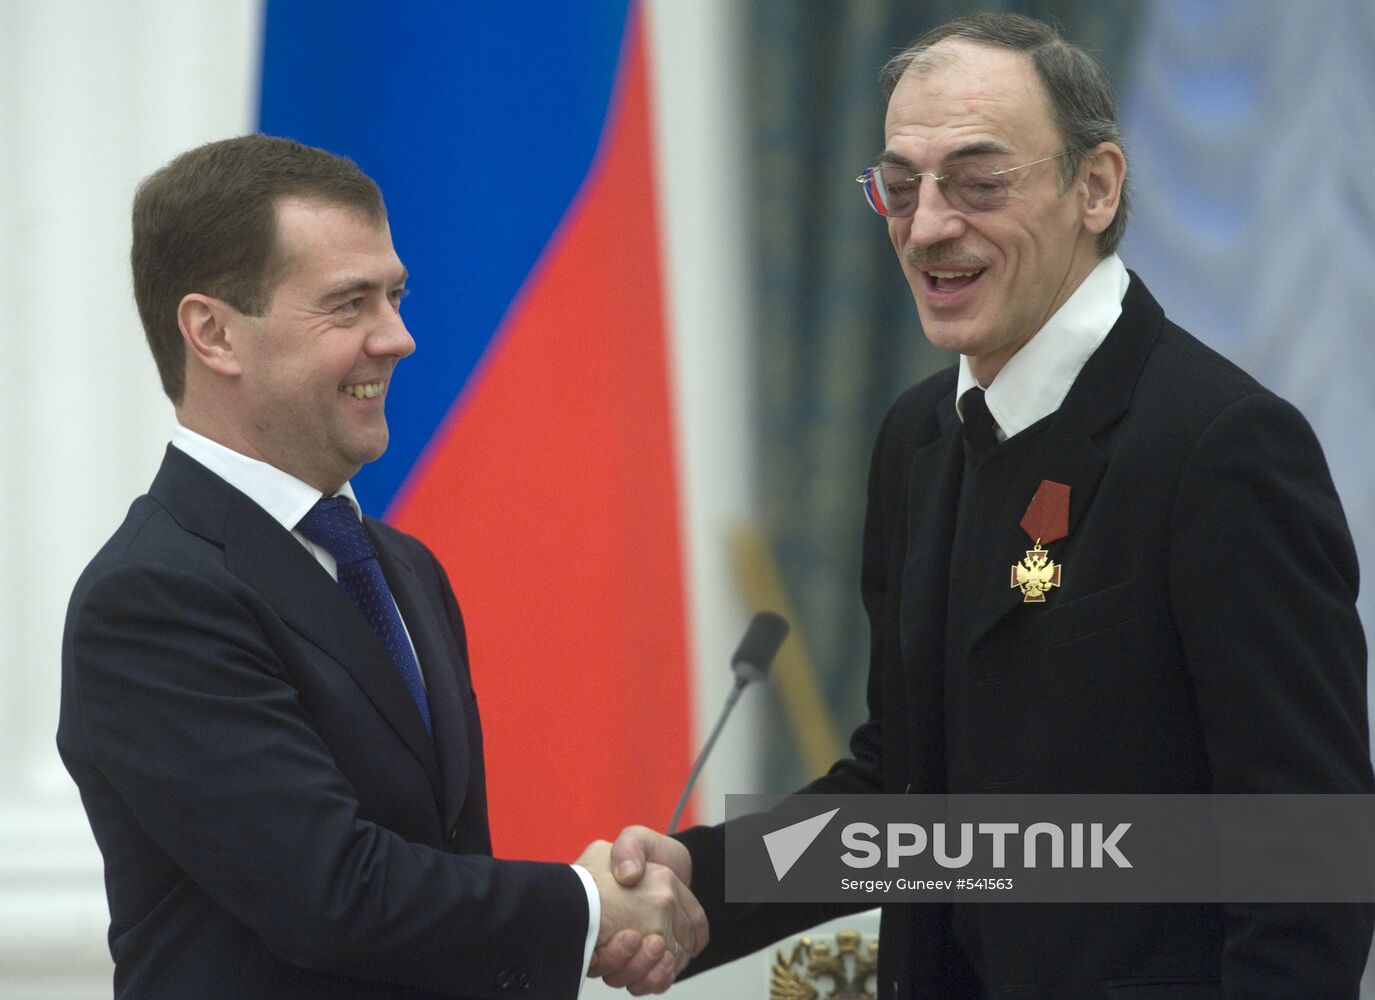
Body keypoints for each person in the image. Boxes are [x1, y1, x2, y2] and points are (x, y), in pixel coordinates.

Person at [595, 12, 1374, 999]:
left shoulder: (1219, 447)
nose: (926, 226)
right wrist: (700, 879)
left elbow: (1306, 861)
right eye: (902, 184)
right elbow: (907, 792)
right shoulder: (917, 437)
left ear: (1095, 187)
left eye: (977, 181)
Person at [57, 134, 704, 1000]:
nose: (397, 339)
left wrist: (642, 894)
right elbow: (332, 893)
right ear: (212, 333)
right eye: (349, 304)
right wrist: (590, 907)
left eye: (395, 296)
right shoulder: (152, 596)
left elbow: (437, 859)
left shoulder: (397, 564)